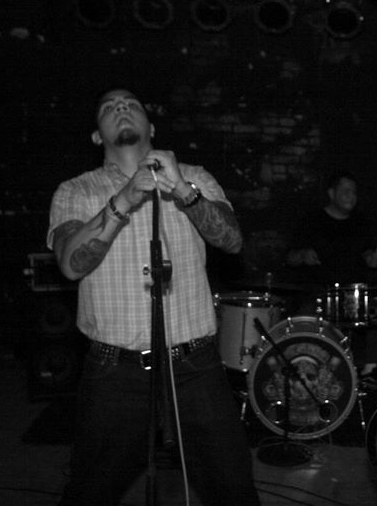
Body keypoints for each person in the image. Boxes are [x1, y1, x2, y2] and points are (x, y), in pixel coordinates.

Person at [46, 88, 260, 506]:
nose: (121, 109)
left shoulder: (194, 176)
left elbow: (232, 240)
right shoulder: (75, 191)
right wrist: (124, 200)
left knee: (232, 488)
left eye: (131, 105)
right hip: (115, 371)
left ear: (152, 127)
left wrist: (182, 189)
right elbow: (71, 264)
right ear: (96, 136)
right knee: (91, 491)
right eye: (109, 107)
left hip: (194, 366)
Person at [285, 170, 377, 287]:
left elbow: (366, 250)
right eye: (346, 191)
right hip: (318, 291)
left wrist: (370, 258)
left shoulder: (361, 222)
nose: (351, 196)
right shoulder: (311, 220)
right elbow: (289, 258)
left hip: (352, 292)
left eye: (354, 192)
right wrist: (303, 255)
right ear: (331, 193)